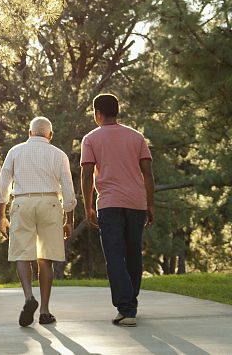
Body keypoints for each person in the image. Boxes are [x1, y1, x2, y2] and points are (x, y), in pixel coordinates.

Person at [80, 94, 155, 328]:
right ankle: (130, 302)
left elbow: (86, 175)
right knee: (133, 252)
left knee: (114, 256)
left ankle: (127, 309)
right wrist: (150, 203)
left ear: (97, 113)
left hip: (109, 204)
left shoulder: (91, 139)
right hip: (136, 202)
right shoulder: (136, 136)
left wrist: (88, 206)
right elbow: (148, 173)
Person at [0, 117, 76, 327]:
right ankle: (45, 311)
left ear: (29, 133)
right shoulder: (58, 154)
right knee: (45, 258)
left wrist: (1, 215)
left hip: (22, 202)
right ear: (50, 135)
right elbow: (68, 189)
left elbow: (3, 184)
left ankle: (29, 297)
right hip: (50, 202)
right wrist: (70, 219)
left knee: (23, 254)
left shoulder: (15, 151)